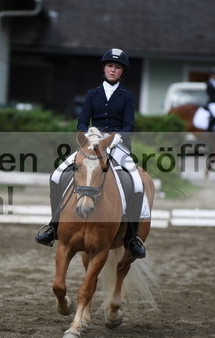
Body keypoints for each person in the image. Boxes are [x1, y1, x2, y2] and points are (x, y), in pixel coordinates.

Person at [35, 48, 146, 259]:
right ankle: (53, 226)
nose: (113, 70)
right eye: (110, 66)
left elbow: (129, 125)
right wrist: (88, 135)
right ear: (104, 68)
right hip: (92, 144)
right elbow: (82, 120)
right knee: (57, 175)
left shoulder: (127, 96)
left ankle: (131, 237)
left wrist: (115, 138)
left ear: (122, 71)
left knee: (137, 184)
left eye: (117, 67)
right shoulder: (92, 94)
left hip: (117, 145)